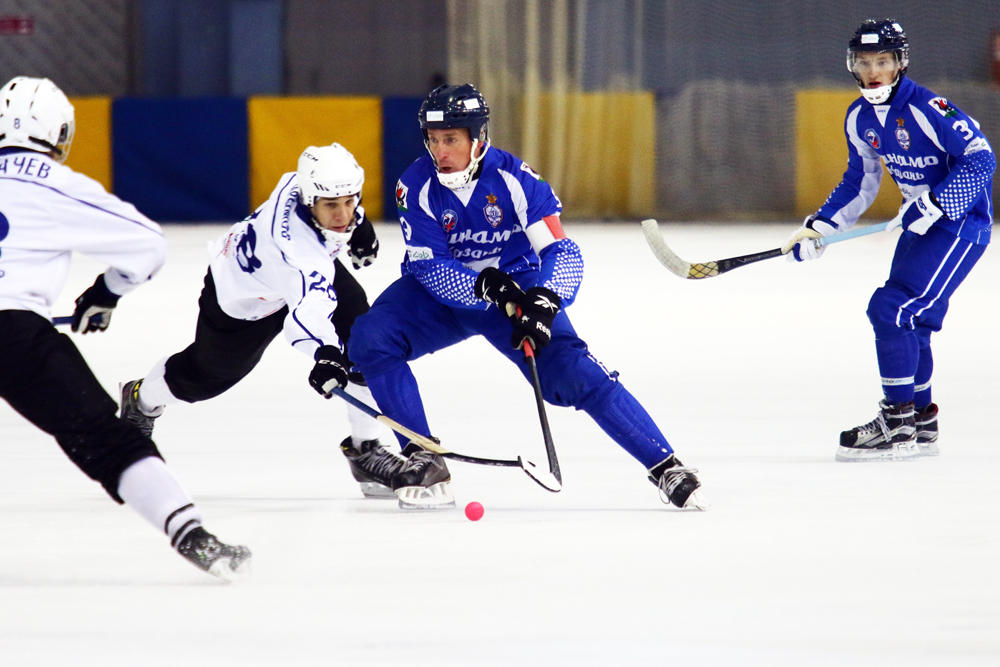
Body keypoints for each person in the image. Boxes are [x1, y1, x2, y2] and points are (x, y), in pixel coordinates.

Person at [349, 83, 707, 511]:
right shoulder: (416, 185)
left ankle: (665, 465)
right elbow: (429, 266)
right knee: (370, 338)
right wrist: (483, 285)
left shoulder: (517, 179)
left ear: (477, 138)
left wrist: (544, 300)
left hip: (514, 294)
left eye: (450, 140)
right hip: (439, 300)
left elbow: (561, 250)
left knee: (574, 373)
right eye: (433, 139)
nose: (439, 151)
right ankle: (422, 454)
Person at [0, 76, 250, 579]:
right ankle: (190, 533)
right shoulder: (54, 183)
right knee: (104, 437)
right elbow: (146, 245)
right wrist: (107, 291)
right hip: (15, 334)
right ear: (59, 132)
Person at [119, 143, 402, 498]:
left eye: (350, 201)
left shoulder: (295, 184)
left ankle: (367, 450)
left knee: (363, 336)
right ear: (310, 201)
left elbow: (335, 204)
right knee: (204, 378)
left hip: (282, 281)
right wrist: (327, 353)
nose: (343, 213)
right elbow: (306, 315)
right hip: (241, 299)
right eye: (332, 206)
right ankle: (140, 398)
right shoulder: (298, 254)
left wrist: (356, 226)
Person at [783, 20, 995, 462]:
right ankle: (919, 419)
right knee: (909, 321)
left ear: (899, 63)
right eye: (864, 62)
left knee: (890, 309)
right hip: (920, 226)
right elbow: (860, 180)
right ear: (853, 67)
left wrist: (936, 203)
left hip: (960, 225)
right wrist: (820, 228)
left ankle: (896, 422)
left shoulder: (928, 106)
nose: (873, 71)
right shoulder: (859, 117)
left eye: (882, 61)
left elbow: (980, 159)